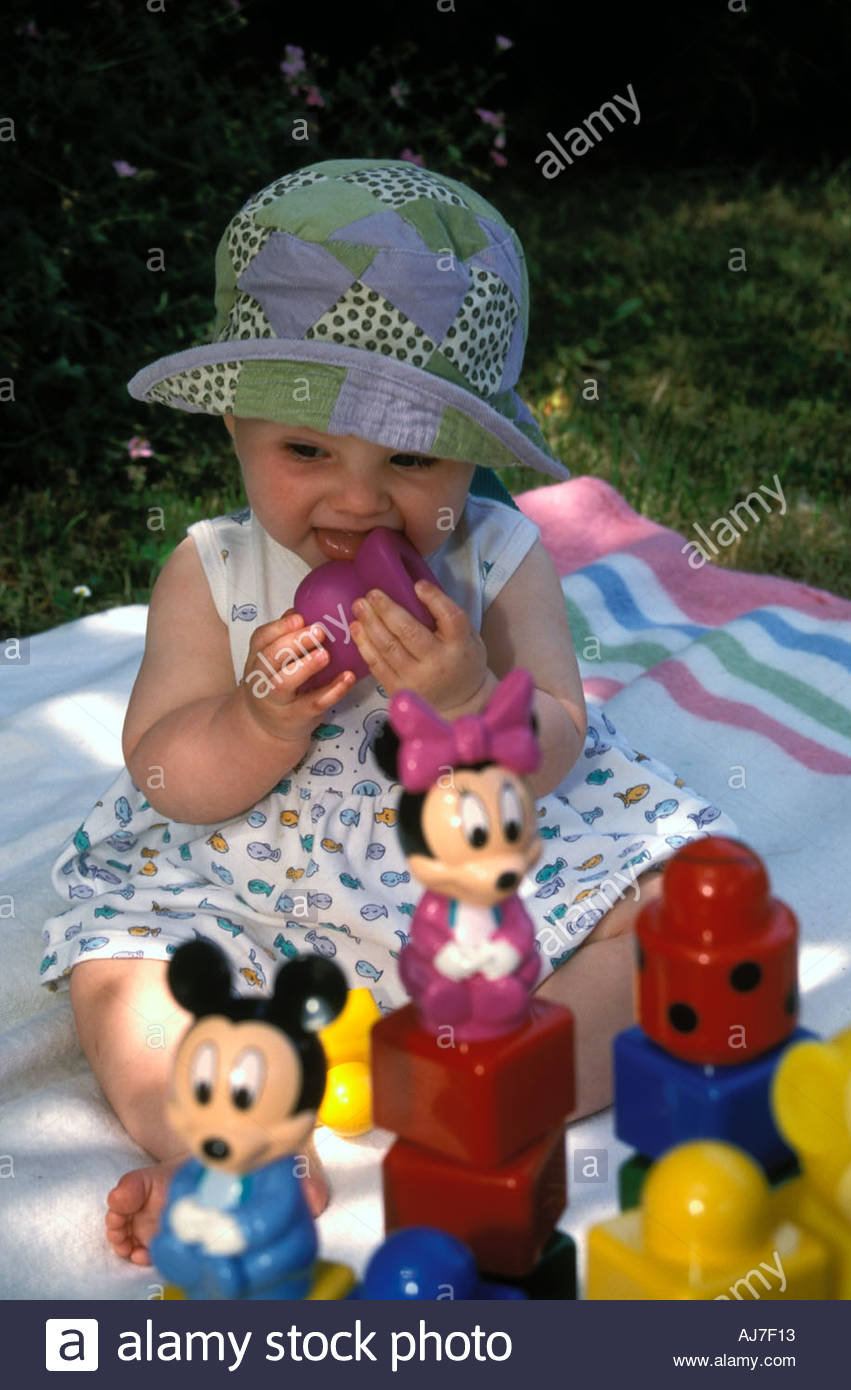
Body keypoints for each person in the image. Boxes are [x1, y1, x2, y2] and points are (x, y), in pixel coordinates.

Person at [40, 158, 738, 1267]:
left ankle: (481, 1084)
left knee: (672, 918)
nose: (360, 499)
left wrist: (467, 701)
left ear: (471, 457)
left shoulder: (497, 557)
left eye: (411, 457)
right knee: (120, 965)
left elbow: (555, 736)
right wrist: (257, 721)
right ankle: (224, 1145)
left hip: (470, 884)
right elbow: (167, 774)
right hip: (253, 881)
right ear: (234, 425)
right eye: (306, 451)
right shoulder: (211, 571)